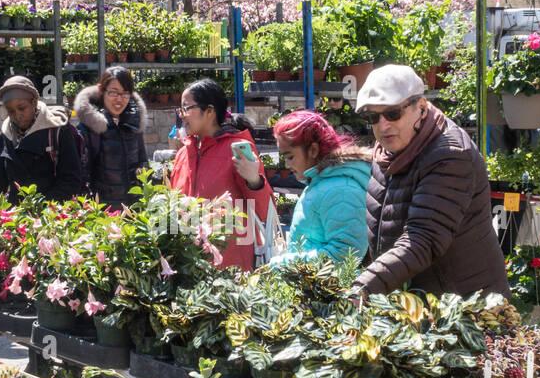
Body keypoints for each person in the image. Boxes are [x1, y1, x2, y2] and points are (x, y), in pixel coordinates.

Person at [354, 65, 510, 298]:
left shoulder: (451, 154)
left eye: (393, 113)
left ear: (422, 107)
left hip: (465, 305)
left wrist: (363, 287)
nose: (382, 125)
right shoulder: (386, 151)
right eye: (373, 117)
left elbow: (424, 239)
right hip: (416, 301)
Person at [167, 78, 274, 270]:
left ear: (209, 111)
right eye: (180, 110)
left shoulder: (237, 149)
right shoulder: (183, 153)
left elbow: (265, 211)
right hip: (188, 263)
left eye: (186, 108)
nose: (181, 115)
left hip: (229, 265)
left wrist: (254, 181)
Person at [273, 110, 371, 264]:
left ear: (313, 150)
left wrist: (286, 264)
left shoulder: (340, 190)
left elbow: (346, 253)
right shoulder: (319, 183)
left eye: (290, 156)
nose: (286, 164)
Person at [0, 76, 84, 203]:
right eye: (11, 111)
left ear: (34, 102)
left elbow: (71, 180)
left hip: (52, 216)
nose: (17, 115)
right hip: (16, 217)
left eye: (22, 108)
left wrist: (41, 210)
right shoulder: (6, 135)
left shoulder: (58, 130)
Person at [73, 67, 149, 208]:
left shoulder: (134, 123)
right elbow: (81, 177)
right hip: (102, 214)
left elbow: (143, 161)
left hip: (133, 211)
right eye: (114, 92)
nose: (120, 99)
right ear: (101, 89)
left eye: (125, 93)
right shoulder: (89, 127)